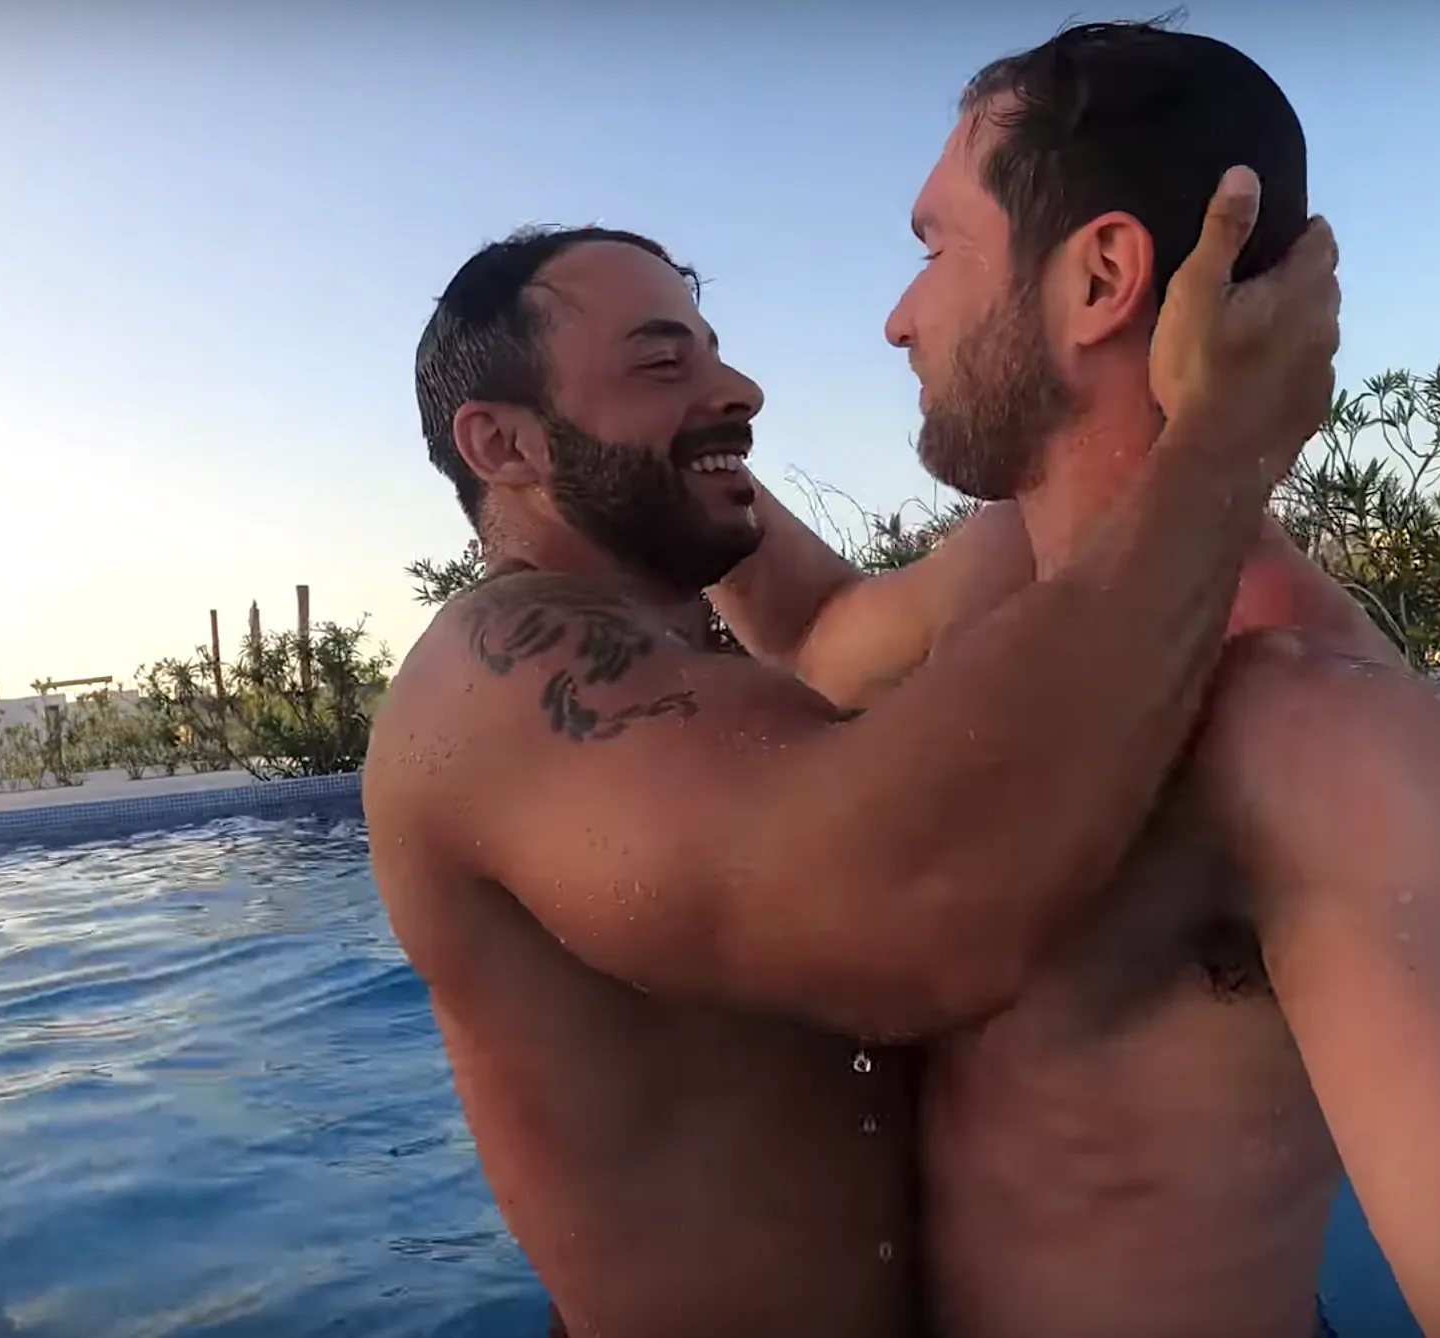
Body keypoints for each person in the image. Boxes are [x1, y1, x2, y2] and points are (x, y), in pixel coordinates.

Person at [710, 21, 1440, 1338]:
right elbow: (819, 627)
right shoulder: (994, 575)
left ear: (1100, 277)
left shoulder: (1309, 719)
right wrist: (661, 453)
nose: (898, 317)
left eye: (934, 249)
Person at [363, 172, 1341, 1337]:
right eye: (664, 364)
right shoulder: (498, 683)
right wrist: (1220, 451)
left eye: (715, 352)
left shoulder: (706, 654)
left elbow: (849, 618)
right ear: (504, 444)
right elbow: (913, 915)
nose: (741, 390)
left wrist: (1130, 404)